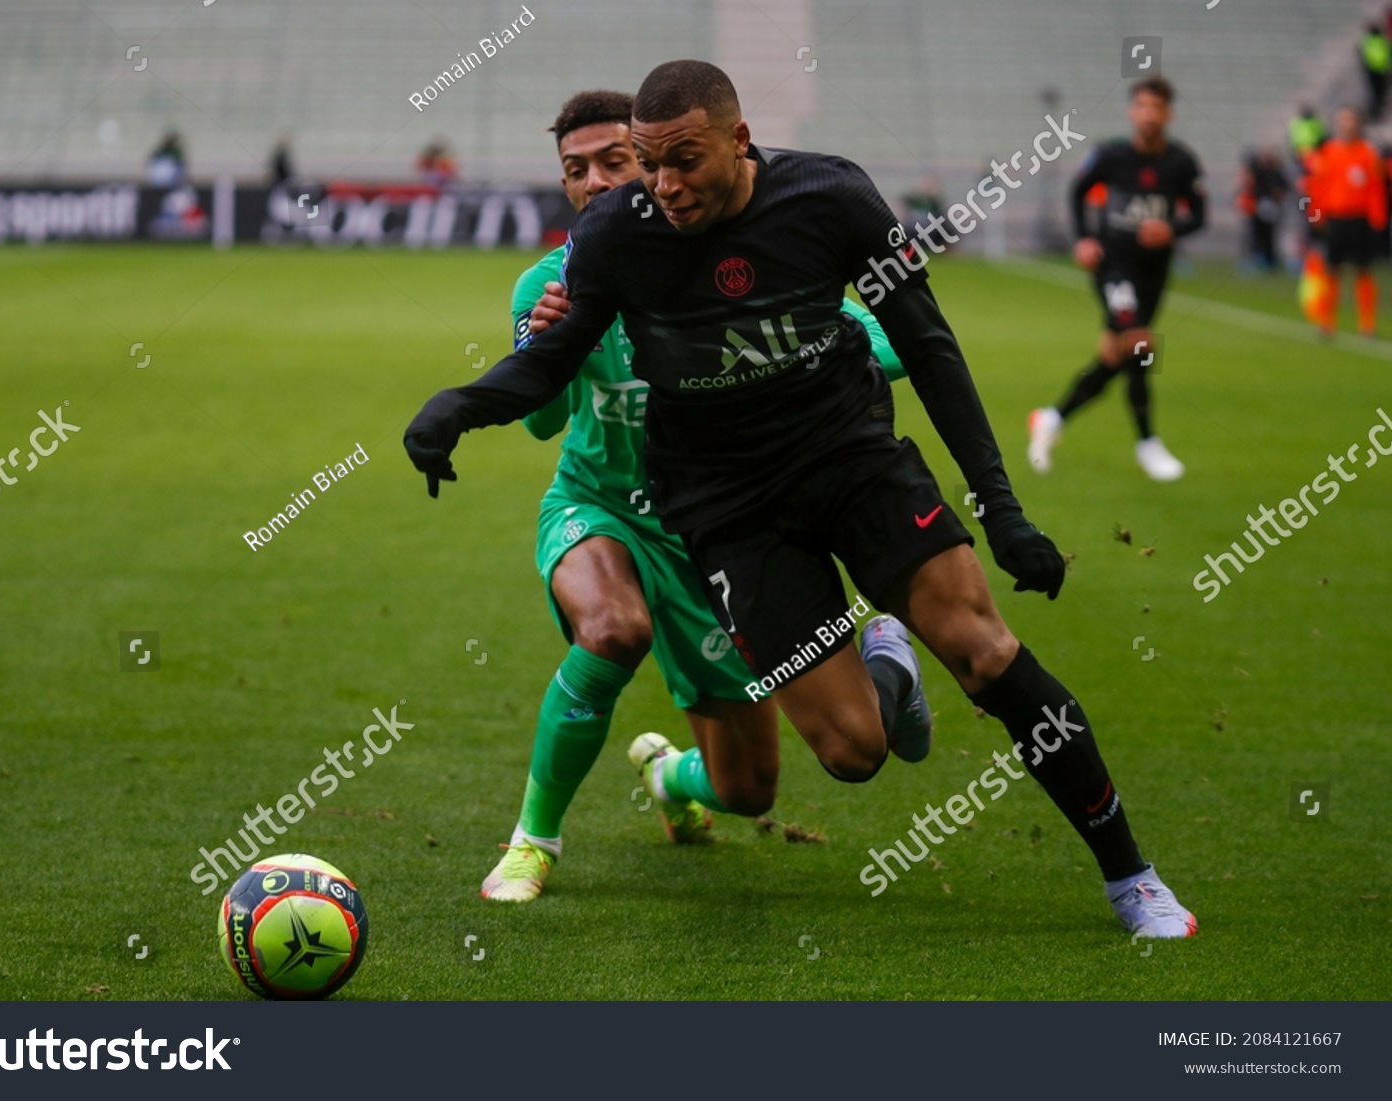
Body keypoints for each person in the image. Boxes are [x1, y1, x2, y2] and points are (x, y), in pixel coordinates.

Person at [407, 59, 1194, 938]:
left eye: (684, 160)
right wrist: (457, 408)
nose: (662, 186)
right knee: (853, 753)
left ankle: (1132, 877)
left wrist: (1001, 508)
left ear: (740, 141)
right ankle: (879, 656)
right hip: (727, 511)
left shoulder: (832, 197)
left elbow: (927, 347)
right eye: (647, 162)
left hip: (849, 461)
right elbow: (549, 368)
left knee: (985, 650)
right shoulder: (616, 238)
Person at [481, 88, 913, 902]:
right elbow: (540, 424)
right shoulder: (549, 284)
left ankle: (669, 776)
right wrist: (539, 345)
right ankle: (533, 840)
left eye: (617, 161)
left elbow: (888, 340)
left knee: (749, 788)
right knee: (611, 629)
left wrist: (792, 351)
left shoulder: (733, 262)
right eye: (578, 170)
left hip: (719, 537)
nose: (597, 181)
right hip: (598, 508)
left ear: (651, 165)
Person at [1027, 77, 1206, 482]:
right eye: (1141, 105)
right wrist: (1085, 238)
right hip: (1113, 267)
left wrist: (1173, 228)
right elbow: (1078, 191)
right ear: (1132, 110)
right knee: (1140, 342)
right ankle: (1148, 443)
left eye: (1156, 107)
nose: (1148, 114)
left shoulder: (1182, 162)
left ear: (1169, 113)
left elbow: (1198, 214)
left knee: (1113, 358)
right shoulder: (1110, 156)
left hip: (1154, 273)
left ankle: (1052, 418)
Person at [1301, 106, 1387, 338]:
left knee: (1363, 270)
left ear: (1358, 124)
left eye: (1351, 120)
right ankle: (1326, 322)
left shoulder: (1368, 154)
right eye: (1343, 120)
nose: (1347, 125)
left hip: (1360, 219)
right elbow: (1317, 188)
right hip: (1335, 219)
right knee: (1332, 271)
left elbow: (1375, 189)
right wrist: (1315, 216)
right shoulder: (1328, 152)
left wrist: (1378, 220)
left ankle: (1367, 324)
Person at [1237, 148, 1288, 270]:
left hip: (1270, 207)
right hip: (1261, 207)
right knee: (1258, 233)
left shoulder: (1276, 173)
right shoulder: (1262, 172)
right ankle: (1260, 257)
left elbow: (1283, 189)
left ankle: (1268, 259)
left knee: (1267, 234)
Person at [1361, 23, 1390, 122]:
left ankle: (1377, 110)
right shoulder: (1379, 41)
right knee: (1377, 92)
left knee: (1379, 92)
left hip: (1379, 71)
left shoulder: (1370, 41)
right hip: (1376, 71)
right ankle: (1376, 110)